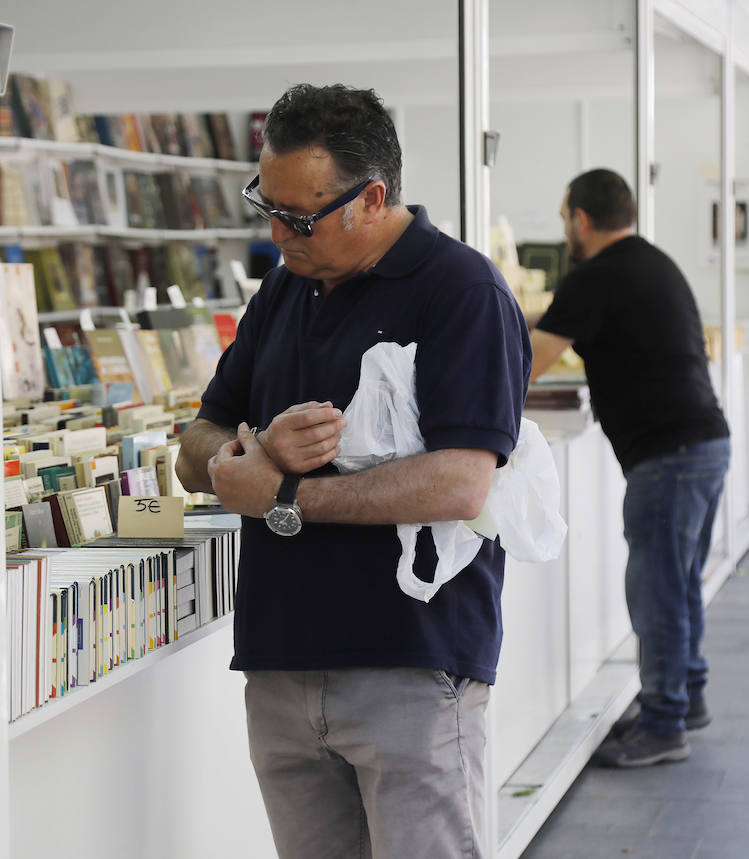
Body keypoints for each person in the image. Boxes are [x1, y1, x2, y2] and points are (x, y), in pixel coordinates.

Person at [175, 83, 531, 859]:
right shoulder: (282, 292)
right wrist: (245, 455)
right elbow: (196, 439)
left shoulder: (462, 292)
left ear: (372, 199)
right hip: (281, 661)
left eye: (299, 217)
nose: (276, 234)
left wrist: (286, 496)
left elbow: (461, 482)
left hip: (411, 661)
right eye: (264, 206)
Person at [529, 169, 730, 768]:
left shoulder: (595, 277)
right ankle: (684, 698)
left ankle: (665, 724)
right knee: (679, 583)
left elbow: (525, 363)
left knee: (658, 592)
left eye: (566, 216)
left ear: (581, 220)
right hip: (703, 444)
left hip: (669, 457)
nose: (567, 228)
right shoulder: (653, 262)